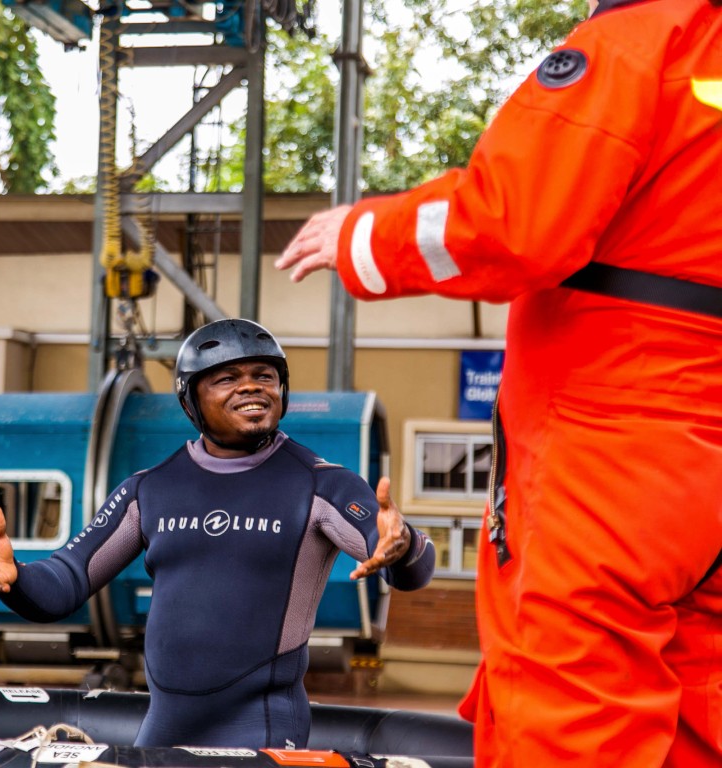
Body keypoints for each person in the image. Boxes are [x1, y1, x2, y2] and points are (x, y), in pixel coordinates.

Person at [275, 0, 722, 765]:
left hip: (618, 438)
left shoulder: (641, 42)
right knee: (701, 704)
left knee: (573, 712)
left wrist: (362, 235)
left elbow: (515, 221)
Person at [0, 318, 434, 749]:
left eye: (264, 375)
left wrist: (403, 547)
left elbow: (401, 558)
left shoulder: (321, 485)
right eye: (227, 378)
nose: (250, 386)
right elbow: (65, 581)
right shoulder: (150, 489)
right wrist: (15, 577)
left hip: (261, 727)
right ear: (190, 398)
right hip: (164, 727)